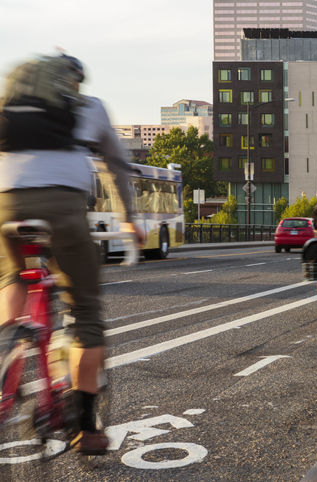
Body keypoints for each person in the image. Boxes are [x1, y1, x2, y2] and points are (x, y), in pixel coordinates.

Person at [0, 53, 144, 454]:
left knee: (12, 278)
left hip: (8, 206)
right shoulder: (90, 107)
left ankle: (8, 341)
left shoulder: (10, 104)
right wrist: (130, 218)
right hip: (64, 211)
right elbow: (118, 164)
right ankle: (86, 427)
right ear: (75, 82)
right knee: (85, 314)